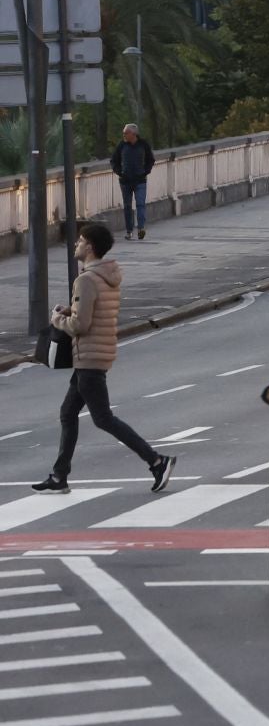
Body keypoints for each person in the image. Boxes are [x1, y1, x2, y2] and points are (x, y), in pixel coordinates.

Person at [32, 223, 175, 495]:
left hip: (89, 357)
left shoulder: (85, 280)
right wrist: (71, 310)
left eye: (81, 241)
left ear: (91, 247)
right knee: (68, 413)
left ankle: (157, 461)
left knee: (103, 418)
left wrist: (58, 319)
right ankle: (59, 475)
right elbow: (91, 314)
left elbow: (80, 325)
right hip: (97, 353)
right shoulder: (107, 276)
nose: (76, 244)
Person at [111, 123, 155, 241]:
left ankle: (141, 228)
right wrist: (120, 172)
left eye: (126, 133)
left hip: (140, 180)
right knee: (127, 206)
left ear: (134, 134)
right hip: (125, 181)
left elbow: (150, 160)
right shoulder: (122, 145)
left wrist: (145, 171)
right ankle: (129, 231)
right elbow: (114, 161)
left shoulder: (143, 145)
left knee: (140, 204)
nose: (124, 135)